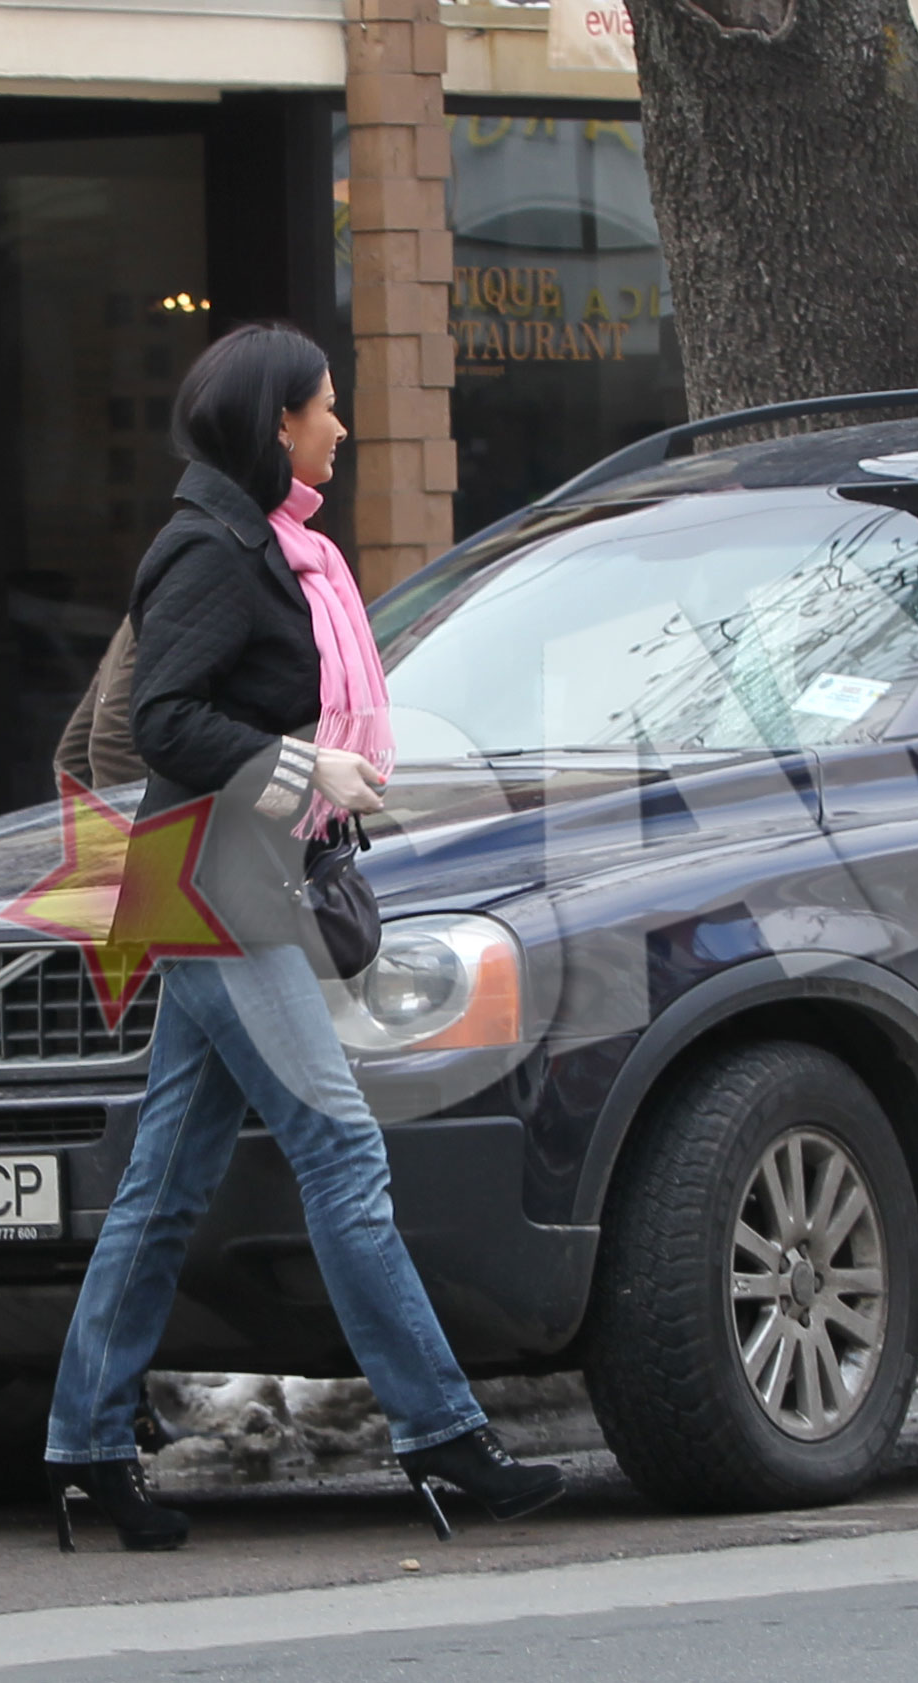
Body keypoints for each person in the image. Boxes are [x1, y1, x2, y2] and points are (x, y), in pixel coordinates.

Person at [42, 323, 565, 1553]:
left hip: (222, 887)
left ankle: (84, 1448)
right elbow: (163, 720)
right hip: (224, 896)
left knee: (163, 1191)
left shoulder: (267, 549)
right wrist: (296, 768)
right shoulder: (214, 553)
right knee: (344, 1157)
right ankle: (440, 1431)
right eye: (326, 407)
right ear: (274, 422)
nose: (342, 426)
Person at [53, 618, 145, 792]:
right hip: (142, 810)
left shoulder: (137, 616)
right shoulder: (160, 608)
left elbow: (71, 757)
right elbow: (111, 747)